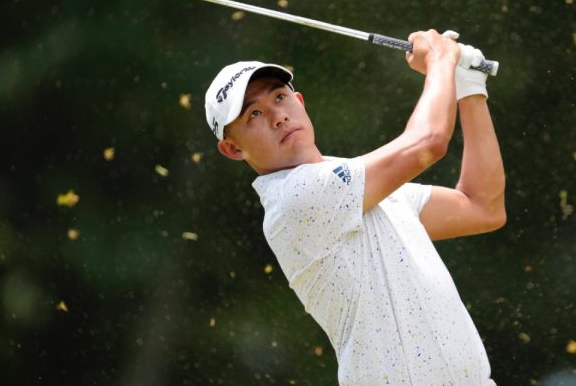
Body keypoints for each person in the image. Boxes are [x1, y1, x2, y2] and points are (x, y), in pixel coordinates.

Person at [204, 29, 505, 385]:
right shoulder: (296, 198)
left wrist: (469, 89)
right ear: (233, 149)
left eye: (280, 98)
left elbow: (482, 206)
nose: (278, 117)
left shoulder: (362, 187)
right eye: (253, 114)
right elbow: (428, 143)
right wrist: (441, 61)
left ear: (299, 101)